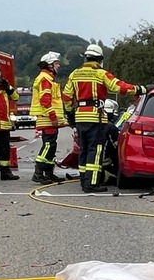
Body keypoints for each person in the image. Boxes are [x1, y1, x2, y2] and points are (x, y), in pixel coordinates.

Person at [62, 43, 144, 193]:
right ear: (99, 59)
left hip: (80, 117)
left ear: (86, 58)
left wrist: (70, 113)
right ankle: (92, 183)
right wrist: (142, 89)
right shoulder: (101, 74)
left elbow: (67, 96)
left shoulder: (74, 74)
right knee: (95, 150)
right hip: (95, 117)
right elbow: (120, 87)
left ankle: (83, 181)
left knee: (83, 150)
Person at [31, 51, 66, 183]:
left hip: (49, 119)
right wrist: (53, 117)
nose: (58, 66)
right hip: (47, 119)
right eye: (56, 63)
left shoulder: (48, 78)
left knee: (52, 145)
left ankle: (48, 172)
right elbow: (45, 101)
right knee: (48, 145)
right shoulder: (45, 79)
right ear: (49, 65)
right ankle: (38, 173)